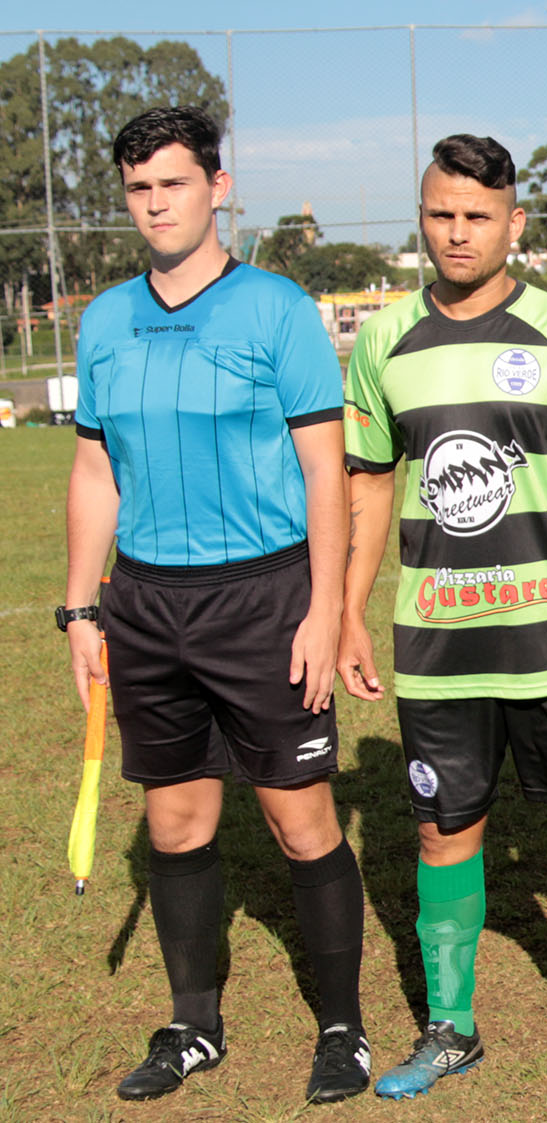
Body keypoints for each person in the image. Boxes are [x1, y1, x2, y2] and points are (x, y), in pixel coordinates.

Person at [63, 105, 370, 1104]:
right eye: (139, 189)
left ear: (217, 187)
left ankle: (343, 1028)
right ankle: (194, 1025)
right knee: (176, 821)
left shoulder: (276, 309)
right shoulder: (105, 319)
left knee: (300, 821)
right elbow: (95, 470)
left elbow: (325, 471)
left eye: (174, 184)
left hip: (264, 598)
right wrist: (80, 610)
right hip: (147, 603)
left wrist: (323, 609)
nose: (156, 204)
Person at [337, 134, 547, 1099]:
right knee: (443, 832)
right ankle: (452, 1028)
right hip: (438, 641)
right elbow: (369, 485)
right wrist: (349, 612)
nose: (458, 232)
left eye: (478, 215)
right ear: (421, 219)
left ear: (515, 223)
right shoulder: (384, 340)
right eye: (442, 214)